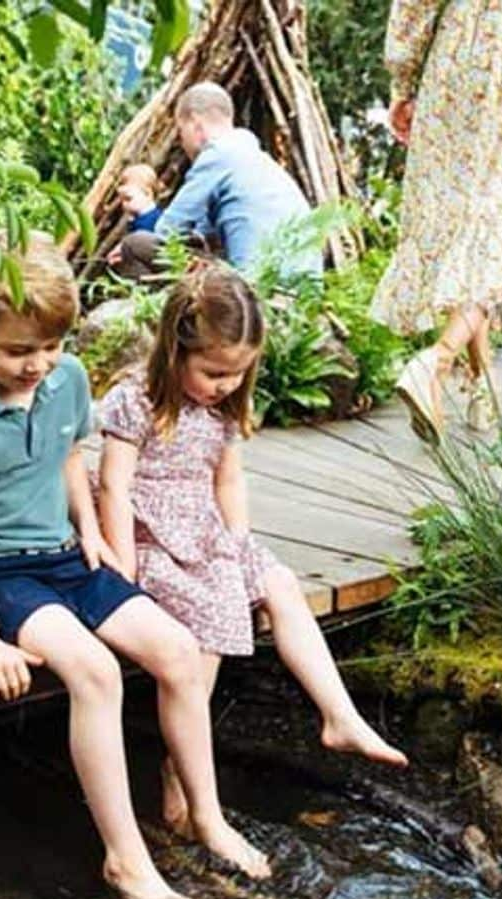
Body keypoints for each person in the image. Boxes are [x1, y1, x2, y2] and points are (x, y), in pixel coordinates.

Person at [0, 234, 267, 899]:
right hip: (0, 573)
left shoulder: (68, 378)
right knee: (95, 672)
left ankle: (204, 816)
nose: (37, 367)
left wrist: (89, 529)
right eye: (18, 352)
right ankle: (127, 860)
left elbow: (65, 459)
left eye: (50, 348)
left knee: (176, 650)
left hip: (66, 554)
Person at [98, 265, 407, 835]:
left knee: (280, 584)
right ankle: (181, 774)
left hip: (208, 531)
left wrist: (238, 546)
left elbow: (228, 482)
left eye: (238, 374)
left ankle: (339, 715)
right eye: (214, 372)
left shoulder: (220, 409)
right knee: (213, 617)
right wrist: (120, 571)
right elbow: (114, 486)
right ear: (175, 350)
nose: (225, 385)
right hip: (152, 538)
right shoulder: (134, 401)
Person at [370, 0, 502, 439]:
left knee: (478, 228)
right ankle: (447, 367)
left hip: (464, 58)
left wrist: (403, 78)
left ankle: (470, 379)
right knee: (489, 229)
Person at [111, 82, 315, 280]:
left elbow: (167, 230)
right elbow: (204, 232)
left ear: (195, 125)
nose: (181, 143)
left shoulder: (217, 156)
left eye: (181, 132)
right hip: (300, 289)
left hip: (256, 288)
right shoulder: (253, 156)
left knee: (135, 245)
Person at [115, 163, 164, 234]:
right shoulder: (137, 218)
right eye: (122, 200)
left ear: (147, 194)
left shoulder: (152, 221)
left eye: (128, 199)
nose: (124, 204)